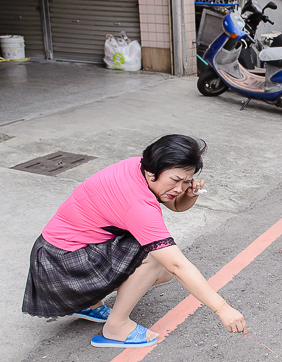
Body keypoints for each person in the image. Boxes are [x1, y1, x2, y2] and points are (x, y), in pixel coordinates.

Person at [22, 134, 246, 347]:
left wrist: (189, 194)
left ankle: (89, 303)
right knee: (157, 258)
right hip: (59, 267)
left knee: (160, 264)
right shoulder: (138, 204)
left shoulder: (138, 166)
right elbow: (176, 264)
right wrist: (223, 309)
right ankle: (116, 328)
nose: (179, 189)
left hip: (57, 253)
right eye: (176, 180)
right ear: (153, 172)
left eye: (187, 181)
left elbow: (176, 205)